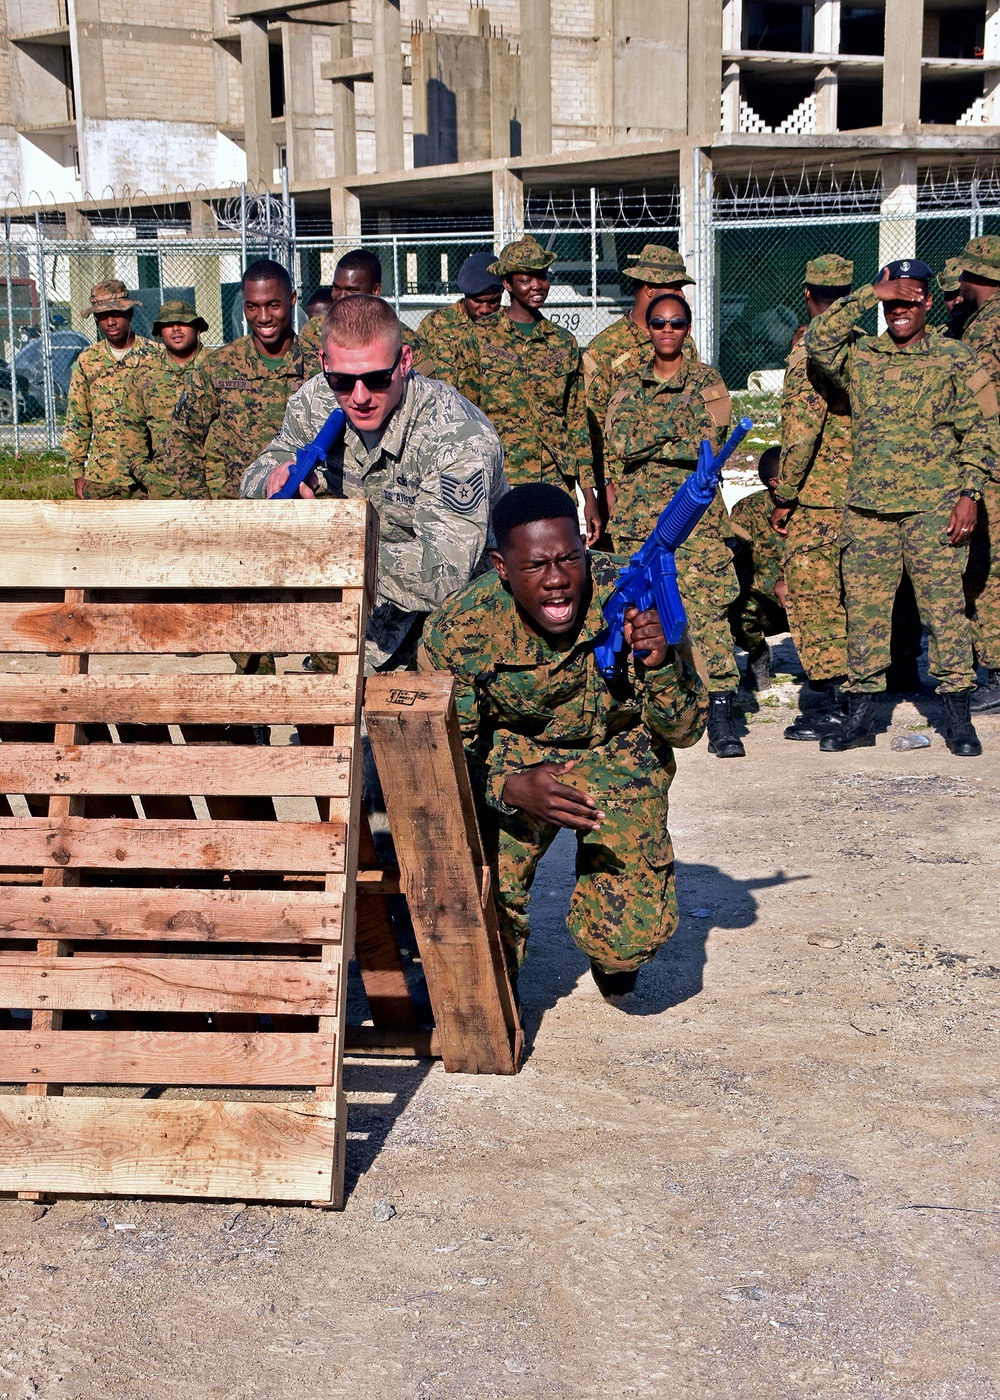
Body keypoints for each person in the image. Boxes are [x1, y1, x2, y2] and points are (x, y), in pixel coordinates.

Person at [419, 483, 706, 1003]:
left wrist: (663, 663)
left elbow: (685, 731)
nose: (557, 581)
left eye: (569, 558)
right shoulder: (460, 630)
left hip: (617, 754)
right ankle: (496, 987)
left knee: (624, 942)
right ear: (502, 567)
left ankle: (610, 953)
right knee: (477, 923)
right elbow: (441, 761)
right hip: (515, 759)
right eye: (534, 567)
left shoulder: (635, 592)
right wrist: (506, 789)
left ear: (584, 547)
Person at [241, 293, 507, 673]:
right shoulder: (315, 401)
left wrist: (329, 553)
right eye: (343, 381)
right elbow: (259, 469)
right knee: (319, 688)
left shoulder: (457, 436)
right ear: (324, 364)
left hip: (456, 620)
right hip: (368, 602)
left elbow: (444, 575)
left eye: (378, 378)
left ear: (404, 361)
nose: (360, 397)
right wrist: (272, 478)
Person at [805, 259, 997, 756]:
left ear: (928, 303)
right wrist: (872, 291)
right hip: (869, 511)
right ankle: (862, 718)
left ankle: (958, 718)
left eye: (908, 301)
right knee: (865, 618)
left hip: (934, 509)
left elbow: (982, 428)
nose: (898, 311)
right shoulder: (862, 355)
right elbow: (819, 340)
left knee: (945, 613)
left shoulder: (955, 357)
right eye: (892, 303)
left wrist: (969, 493)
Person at [603, 291, 744, 758]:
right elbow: (621, 442)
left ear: (687, 328)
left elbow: (711, 438)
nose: (668, 331)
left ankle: (721, 712)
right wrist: (675, 432)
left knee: (705, 614)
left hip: (696, 522)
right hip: (638, 525)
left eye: (677, 323)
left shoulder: (709, 380)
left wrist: (656, 436)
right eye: (659, 322)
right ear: (647, 327)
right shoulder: (627, 383)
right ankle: (647, 707)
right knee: (640, 615)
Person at [448, 235, 599, 542]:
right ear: (507, 283)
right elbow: (464, 416)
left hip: (554, 477)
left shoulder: (562, 341)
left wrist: (589, 494)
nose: (537, 286)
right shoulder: (478, 339)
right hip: (502, 477)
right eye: (526, 279)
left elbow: (576, 421)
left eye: (542, 277)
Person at [771, 254, 854, 740]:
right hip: (867, 494)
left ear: (808, 294)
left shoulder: (808, 357)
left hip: (820, 499)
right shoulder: (867, 349)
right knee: (856, 595)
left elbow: (801, 436)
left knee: (815, 597)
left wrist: (785, 493)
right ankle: (861, 692)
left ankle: (829, 701)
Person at [165, 258, 305, 501]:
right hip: (239, 509)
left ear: (292, 299)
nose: (263, 317)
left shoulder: (319, 366)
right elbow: (181, 435)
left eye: (273, 305)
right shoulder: (219, 366)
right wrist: (201, 502)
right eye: (252, 307)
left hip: (307, 508)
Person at [583, 243, 699, 531]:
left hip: (679, 481)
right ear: (648, 287)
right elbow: (593, 423)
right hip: (628, 489)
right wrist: (605, 485)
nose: (681, 294)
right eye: (674, 286)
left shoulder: (684, 342)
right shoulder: (606, 349)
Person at [956, 235, 1000, 712]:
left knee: (987, 570)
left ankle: (996, 669)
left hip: (992, 465)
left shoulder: (986, 328)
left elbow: (976, 404)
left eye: (966, 275)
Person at [62, 279, 156, 499]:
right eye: (103, 317)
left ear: (130, 314)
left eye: (116, 314)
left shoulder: (155, 356)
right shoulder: (88, 360)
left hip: (147, 476)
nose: (111, 322)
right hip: (103, 478)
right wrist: (77, 471)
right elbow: (78, 418)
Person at [118, 299, 209, 498]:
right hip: (162, 486)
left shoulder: (217, 368)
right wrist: (147, 475)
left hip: (213, 484)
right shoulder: (144, 375)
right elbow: (131, 429)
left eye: (183, 323)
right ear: (159, 333)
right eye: (168, 325)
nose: (176, 329)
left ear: (197, 328)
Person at [729, 446, 789, 690]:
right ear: (775, 482)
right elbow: (734, 567)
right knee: (738, 608)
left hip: (817, 600)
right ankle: (758, 653)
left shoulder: (817, 507)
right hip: (770, 606)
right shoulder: (747, 512)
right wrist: (772, 585)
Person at [414, 250, 503, 383]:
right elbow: (417, 376)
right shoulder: (435, 325)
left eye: (493, 301)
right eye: (477, 301)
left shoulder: (507, 325)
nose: (485, 309)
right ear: (465, 294)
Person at [299, 249, 384, 375]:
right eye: (337, 288)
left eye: (352, 290)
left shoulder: (396, 335)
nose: (342, 297)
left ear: (375, 290)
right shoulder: (314, 331)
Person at [938, 257, 972, 339]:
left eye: (962, 294)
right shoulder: (940, 337)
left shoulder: (993, 331)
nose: (957, 301)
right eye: (949, 295)